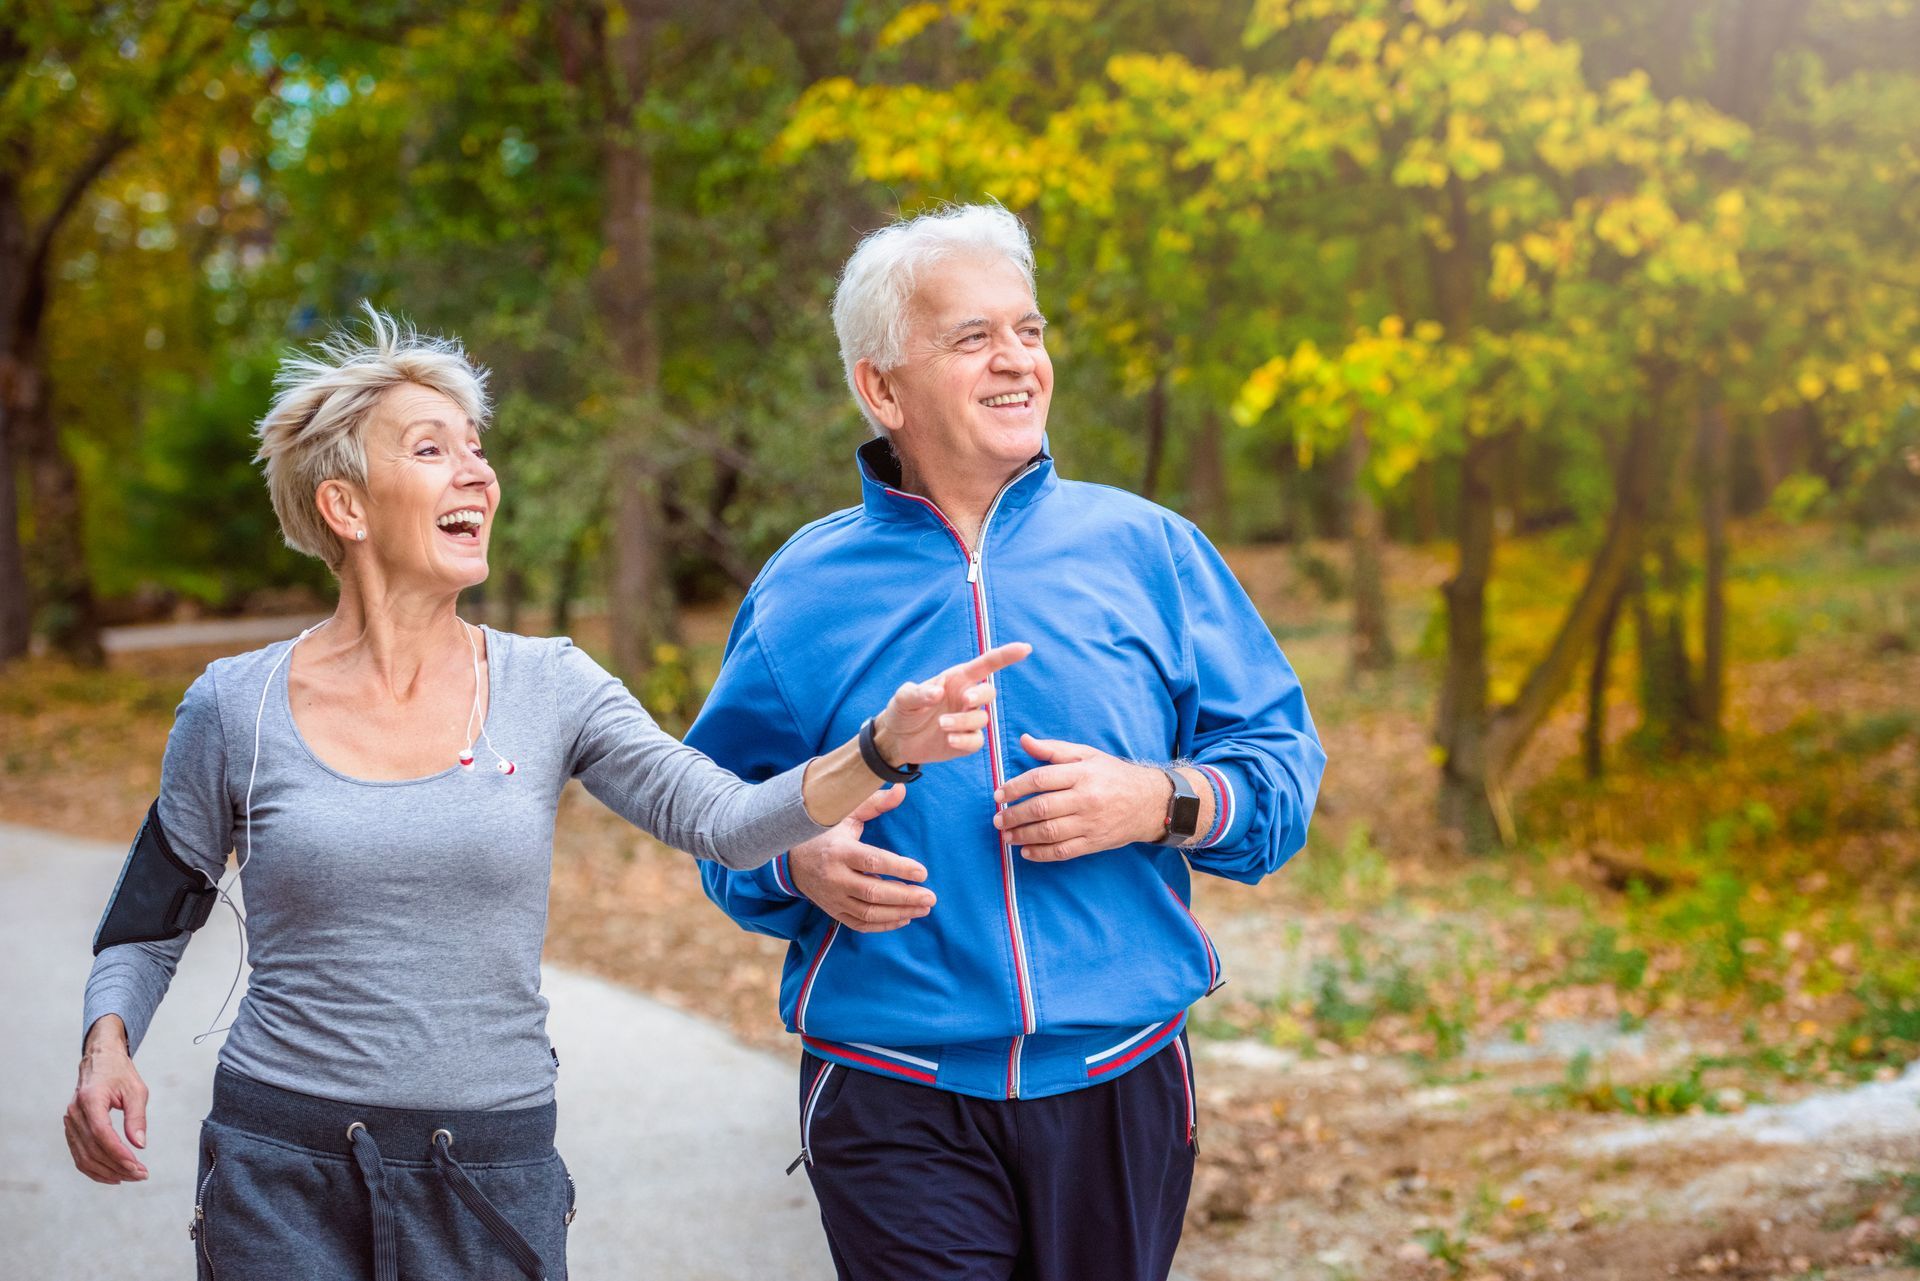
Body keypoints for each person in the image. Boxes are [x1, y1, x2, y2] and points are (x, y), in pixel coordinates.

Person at [63, 305, 1027, 1281]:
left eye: (477, 450)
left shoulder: (551, 686)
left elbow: (724, 822)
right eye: (432, 449)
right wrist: (108, 1047)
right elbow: (154, 907)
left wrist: (878, 748)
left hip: (486, 1171)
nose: (477, 472)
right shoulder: (238, 706)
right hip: (280, 1169)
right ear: (346, 508)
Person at [687, 203, 1328, 1280]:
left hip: (1121, 1076)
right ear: (882, 388)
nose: (1017, 361)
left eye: (1028, 332)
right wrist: (797, 861)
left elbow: (1281, 774)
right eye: (972, 338)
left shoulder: (1149, 551)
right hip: (891, 1081)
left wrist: (1158, 801)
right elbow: (716, 818)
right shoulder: (803, 589)